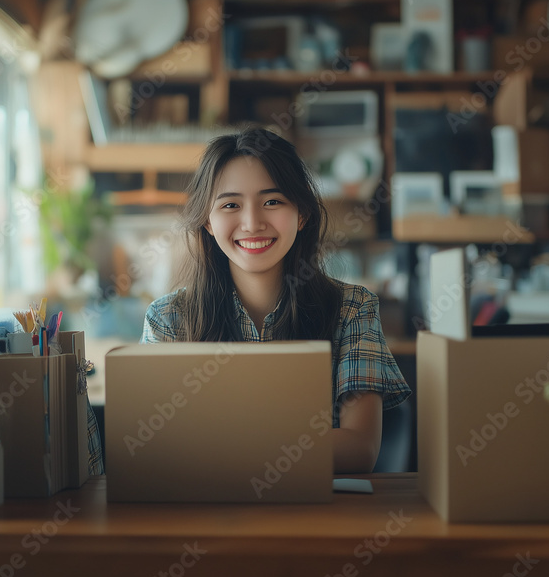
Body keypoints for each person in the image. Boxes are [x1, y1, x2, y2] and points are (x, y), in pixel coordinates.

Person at [140, 126, 410, 473]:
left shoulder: (353, 310)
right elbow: (154, 449)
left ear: (302, 214)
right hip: (207, 518)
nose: (252, 223)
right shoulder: (168, 319)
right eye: (231, 205)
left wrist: (217, 445)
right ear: (208, 221)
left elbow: (359, 449)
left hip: (317, 518)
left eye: (272, 202)